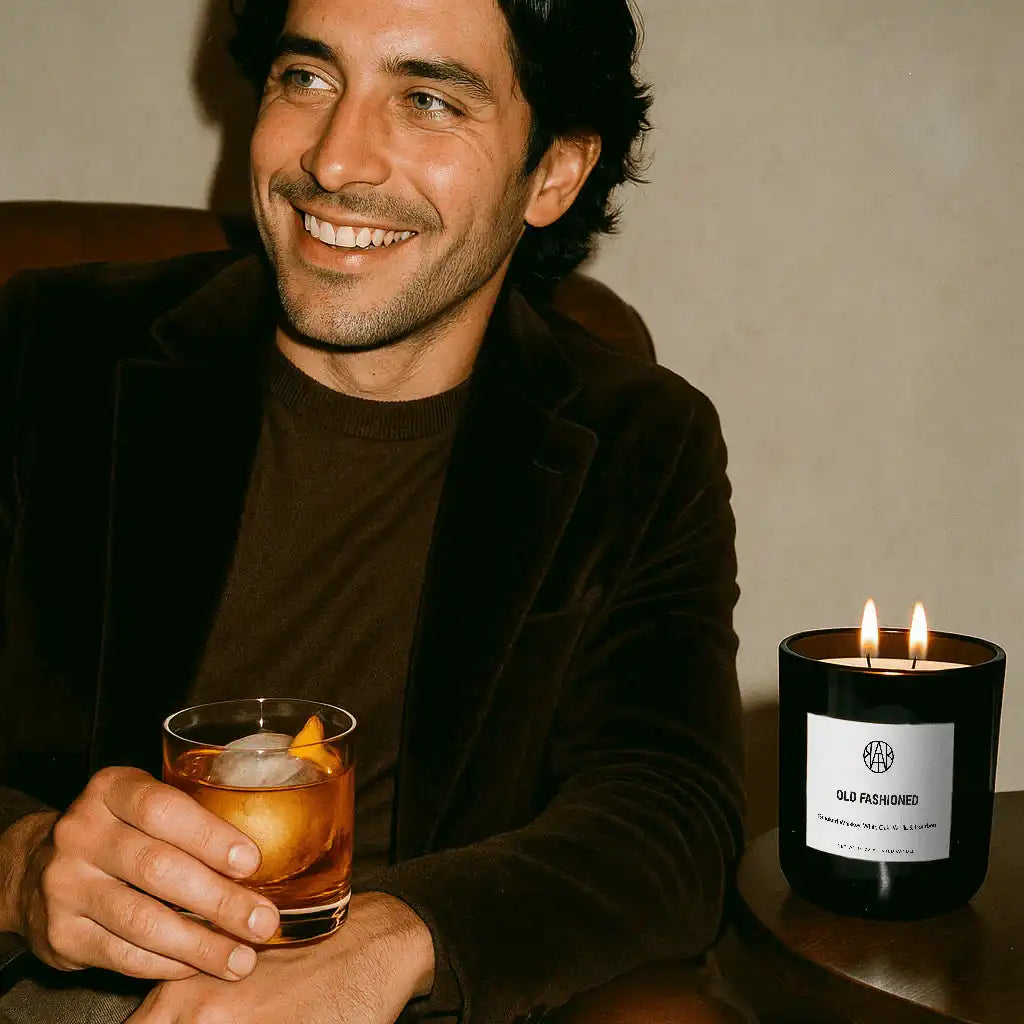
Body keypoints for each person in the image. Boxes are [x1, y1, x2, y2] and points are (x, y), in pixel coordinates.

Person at [0, 0, 746, 1021]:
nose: (337, 160)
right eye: (306, 79)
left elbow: (670, 817)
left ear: (555, 173)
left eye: (428, 99)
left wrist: (398, 939)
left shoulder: (638, 445)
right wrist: (21, 862)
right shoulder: (46, 353)